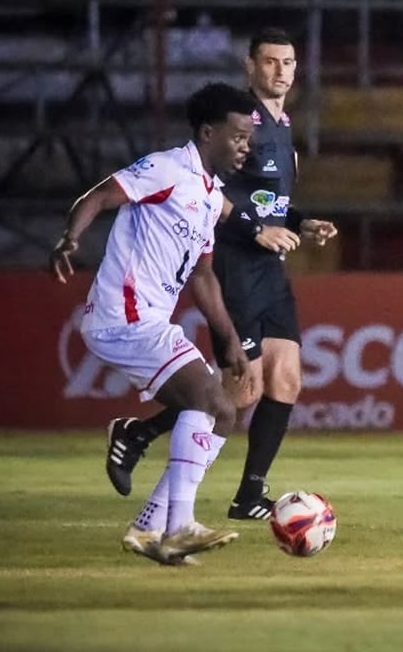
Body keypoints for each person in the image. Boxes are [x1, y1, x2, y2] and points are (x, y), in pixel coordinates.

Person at [104, 28, 338, 520]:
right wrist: (256, 231)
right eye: (270, 62)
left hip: (268, 266)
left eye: (289, 62)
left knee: (287, 380)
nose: (281, 71)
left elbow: (267, 199)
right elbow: (212, 189)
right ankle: (144, 451)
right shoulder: (241, 120)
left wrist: (299, 220)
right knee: (238, 392)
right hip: (232, 265)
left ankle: (249, 494)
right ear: (250, 67)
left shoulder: (282, 122)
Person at [50, 82, 257, 565]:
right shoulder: (168, 168)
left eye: (249, 137)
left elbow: (203, 275)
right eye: (238, 135)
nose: (245, 145)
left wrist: (228, 339)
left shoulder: (208, 196)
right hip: (123, 316)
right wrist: (69, 238)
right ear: (209, 133)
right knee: (207, 399)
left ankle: (148, 530)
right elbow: (101, 195)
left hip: (145, 320)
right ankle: (179, 526)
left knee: (223, 412)